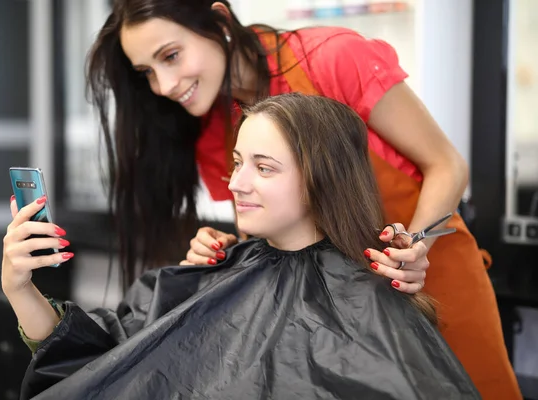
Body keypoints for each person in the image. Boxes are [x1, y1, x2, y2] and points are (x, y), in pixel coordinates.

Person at [77, 1, 521, 398]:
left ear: (221, 22)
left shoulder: (332, 58)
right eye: (147, 73)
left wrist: (418, 244)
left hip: (430, 268)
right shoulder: (211, 123)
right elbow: (270, 224)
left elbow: (446, 165)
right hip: (330, 302)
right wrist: (227, 249)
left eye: (171, 56)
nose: (164, 85)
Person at [4, 93, 480, 399]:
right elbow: (94, 362)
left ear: (324, 180)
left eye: (264, 167)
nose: (236, 183)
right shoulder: (213, 267)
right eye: (237, 162)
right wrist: (20, 289)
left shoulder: (369, 300)